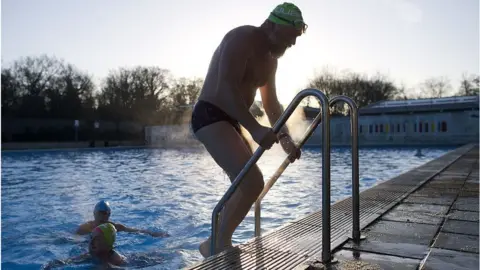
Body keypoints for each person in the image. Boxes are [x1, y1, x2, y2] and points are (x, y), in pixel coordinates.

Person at [190, 2, 305, 258]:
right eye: (290, 38)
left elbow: (272, 104)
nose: (293, 45)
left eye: (295, 39)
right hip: (210, 114)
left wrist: (285, 137)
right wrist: (253, 128)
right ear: (272, 25)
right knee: (252, 182)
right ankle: (217, 245)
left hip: (232, 120)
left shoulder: (271, 60)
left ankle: (214, 243)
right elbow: (225, 88)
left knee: (244, 185)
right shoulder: (242, 37)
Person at [44, 223, 126, 269]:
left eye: (97, 239)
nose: (92, 241)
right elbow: (72, 261)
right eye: (91, 237)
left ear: (108, 245)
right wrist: (56, 263)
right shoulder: (92, 253)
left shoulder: (114, 260)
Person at [76, 200, 169, 237]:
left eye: (107, 214)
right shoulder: (85, 228)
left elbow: (136, 231)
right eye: (102, 213)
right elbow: (71, 238)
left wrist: (156, 234)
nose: (104, 216)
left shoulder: (115, 227)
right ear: (94, 214)